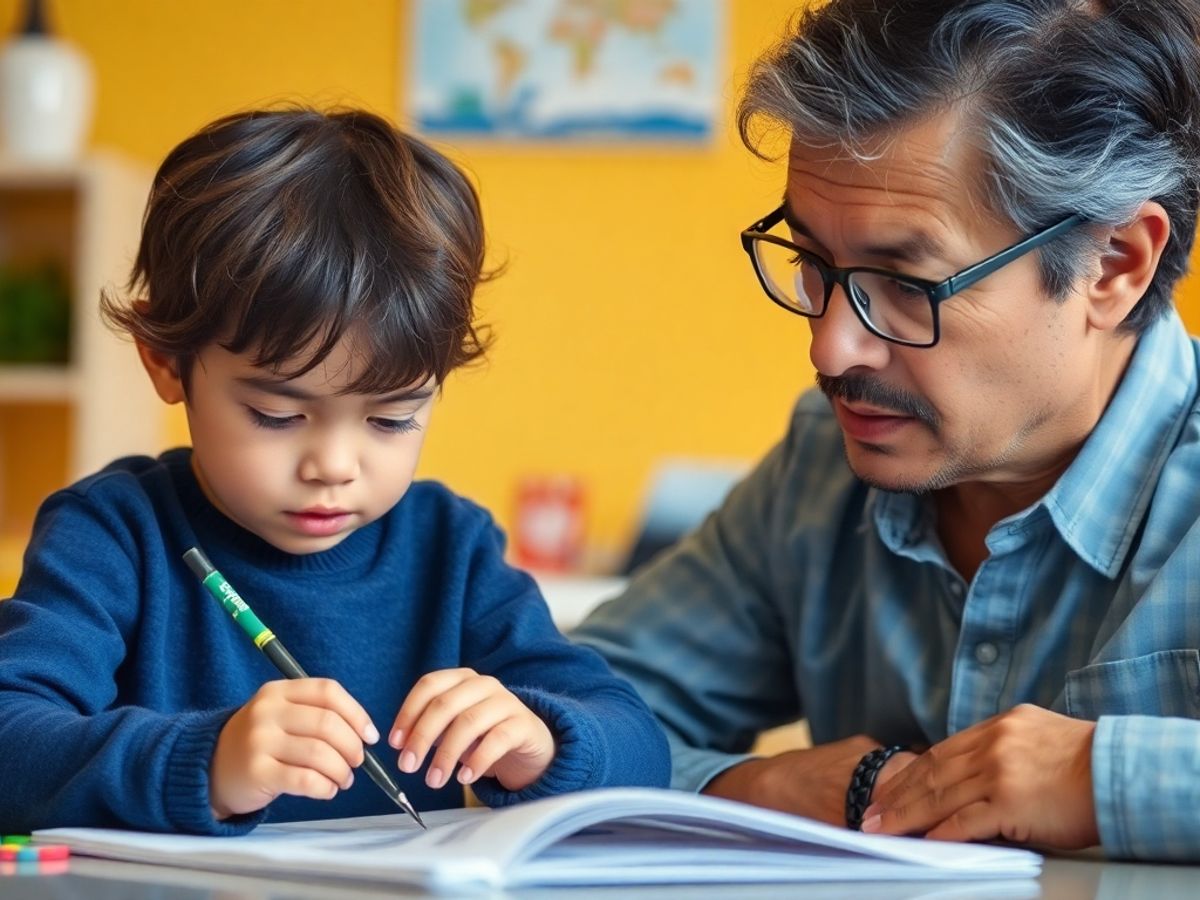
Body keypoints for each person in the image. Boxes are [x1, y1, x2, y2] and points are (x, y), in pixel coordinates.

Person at [574, 0, 1200, 861]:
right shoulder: (820, 466)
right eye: (813, 264)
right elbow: (576, 703)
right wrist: (757, 786)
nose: (831, 344)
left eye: (908, 283)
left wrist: (1104, 778)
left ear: (1115, 265)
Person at [0, 108, 669, 835]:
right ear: (167, 364)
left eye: (391, 420)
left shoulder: (452, 546)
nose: (334, 467)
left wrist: (544, 743)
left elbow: (639, 746)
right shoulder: (113, 533)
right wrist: (207, 760)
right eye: (278, 417)